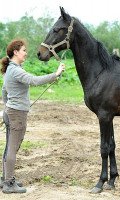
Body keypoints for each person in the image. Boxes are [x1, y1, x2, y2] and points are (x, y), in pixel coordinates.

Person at [0, 39, 65, 194]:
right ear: (15, 52)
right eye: (23, 50)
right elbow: (33, 80)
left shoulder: (11, 68)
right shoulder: (15, 70)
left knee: (10, 147)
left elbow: (4, 91)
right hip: (17, 115)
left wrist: (7, 107)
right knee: (12, 148)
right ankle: (9, 183)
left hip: (11, 112)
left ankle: (5, 179)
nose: (26, 53)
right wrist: (55, 74)